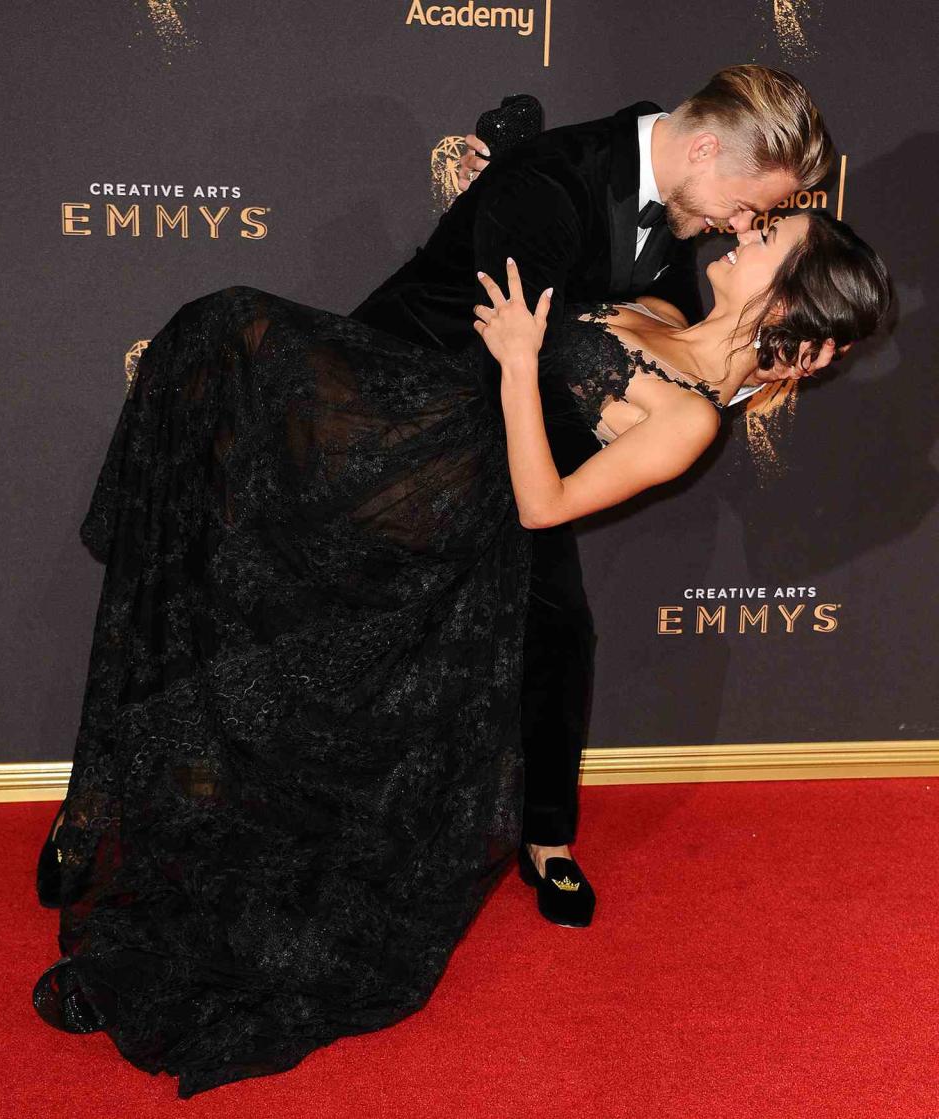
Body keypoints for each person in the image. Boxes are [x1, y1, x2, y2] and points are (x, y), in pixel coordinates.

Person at [31, 199, 889, 1096]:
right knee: (224, 330)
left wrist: (522, 361)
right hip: (420, 416)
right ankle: (115, 807)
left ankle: (153, 850)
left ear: (788, 305)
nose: (746, 236)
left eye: (768, 243)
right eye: (759, 226)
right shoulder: (668, 308)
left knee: (274, 641)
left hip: (443, 499)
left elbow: (544, 505)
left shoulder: (692, 420)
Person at [348, 65, 839, 924]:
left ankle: (547, 837)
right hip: (412, 421)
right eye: (749, 205)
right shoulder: (552, 180)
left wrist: (777, 360)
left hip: (521, 457)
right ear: (704, 147)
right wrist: (498, 178)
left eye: (761, 223)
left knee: (560, 628)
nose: (742, 225)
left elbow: (696, 359)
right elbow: (514, 336)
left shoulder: (692, 222)